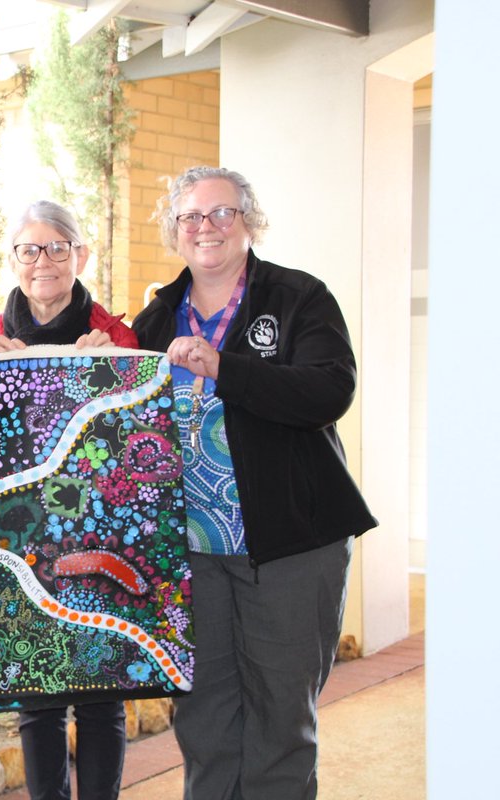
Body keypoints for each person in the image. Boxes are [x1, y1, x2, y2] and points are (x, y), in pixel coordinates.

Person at [132, 166, 377, 800]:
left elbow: (329, 390)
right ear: (174, 231)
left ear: (249, 222)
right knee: (204, 720)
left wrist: (226, 368)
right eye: (190, 216)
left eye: (222, 212)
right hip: (190, 554)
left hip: (289, 545)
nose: (206, 227)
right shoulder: (155, 319)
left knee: (280, 717)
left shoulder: (299, 298)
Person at [0, 200, 137, 800]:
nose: (44, 261)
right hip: (21, 530)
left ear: (79, 256)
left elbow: (125, 439)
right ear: (13, 260)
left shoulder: (112, 333)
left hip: (97, 528)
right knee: (36, 692)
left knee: (100, 693)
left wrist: (105, 368)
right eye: (29, 249)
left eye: (58, 248)